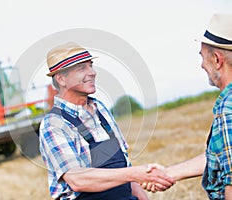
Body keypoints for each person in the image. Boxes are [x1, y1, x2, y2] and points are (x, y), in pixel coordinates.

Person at [38, 42, 175, 199]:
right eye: (82, 68)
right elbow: (77, 180)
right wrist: (135, 173)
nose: (92, 72)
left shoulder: (100, 108)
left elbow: (125, 166)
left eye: (91, 66)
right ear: (61, 79)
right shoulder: (54, 123)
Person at [143, 13, 232, 199]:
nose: (201, 65)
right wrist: (168, 174)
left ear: (217, 59)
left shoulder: (228, 108)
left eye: (203, 57)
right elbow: (222, 156)